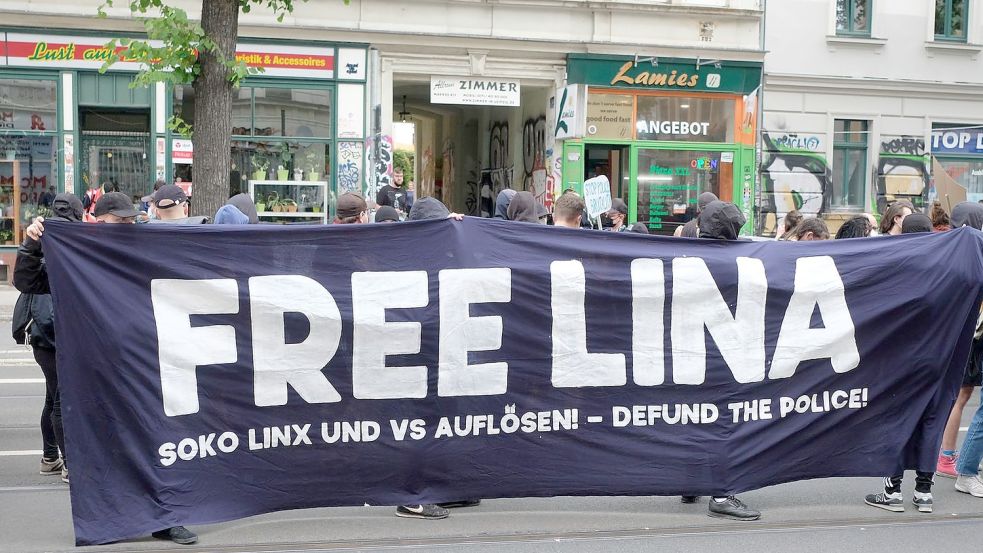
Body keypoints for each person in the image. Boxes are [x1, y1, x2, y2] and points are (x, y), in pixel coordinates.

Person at [18, 193, 197, 545]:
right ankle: (109, 520)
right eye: (120, 221)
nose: (127, 226)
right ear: (96, 220)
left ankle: (165, 518)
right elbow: (29, 282)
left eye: (131, 220)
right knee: (104, 449)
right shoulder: (78, 255)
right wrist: (32, 243)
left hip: (143, 367)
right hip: (95, 370)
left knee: (155, 444)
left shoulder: (144, 247)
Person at [680, 200, 760, 521]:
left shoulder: (683, 256)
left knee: (693, 419)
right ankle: (723, 494)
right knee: (724, 426)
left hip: (685, 357)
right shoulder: (735, 264)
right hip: (720, 360)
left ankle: (690, 483)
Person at [864, 213, 937, 513]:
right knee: (931, 420)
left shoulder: (895, 261)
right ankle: (924, 491)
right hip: (937, 354)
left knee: (896, 419)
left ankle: (893, 491)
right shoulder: (944, 265)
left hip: (900, 356)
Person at [12, 193, 84, 485]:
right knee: (59, 399)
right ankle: (66, 463)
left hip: (41, 332)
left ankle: (50, 457)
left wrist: (31, 242)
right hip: (52, 331)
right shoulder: (65, 239)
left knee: (52, 395)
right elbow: (28, 280)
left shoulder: (45, 233)